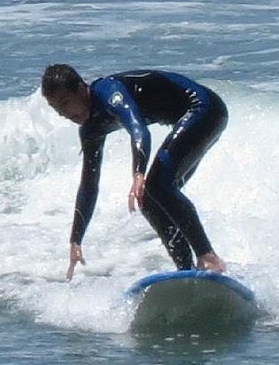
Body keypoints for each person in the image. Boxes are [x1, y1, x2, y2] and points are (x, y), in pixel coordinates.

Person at [41, 63, 228, 280]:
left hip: (204, 109)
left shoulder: (108, 92)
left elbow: (138, 128)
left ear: (82, 89)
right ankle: (186, 271)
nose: (64, 113)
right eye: (56, 108)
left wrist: (138, 173)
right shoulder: (90, 129)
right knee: (149, 198)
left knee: (157, 186)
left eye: (65, 103)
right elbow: (89, 185)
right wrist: (75, 240)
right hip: (192, 117)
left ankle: (208, 258)